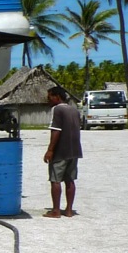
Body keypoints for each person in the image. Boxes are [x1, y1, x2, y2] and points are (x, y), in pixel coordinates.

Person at [43, 85, 82, 218]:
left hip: (61, 151)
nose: (48, 100)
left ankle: (56, 211)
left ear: (57, 97)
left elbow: (56, 131)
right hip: (75, 150)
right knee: (70, 180)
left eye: (49, 97)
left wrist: (50, 150)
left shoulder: (57, 109)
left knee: (55, 180)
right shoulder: (74, 110)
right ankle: (69, 210)